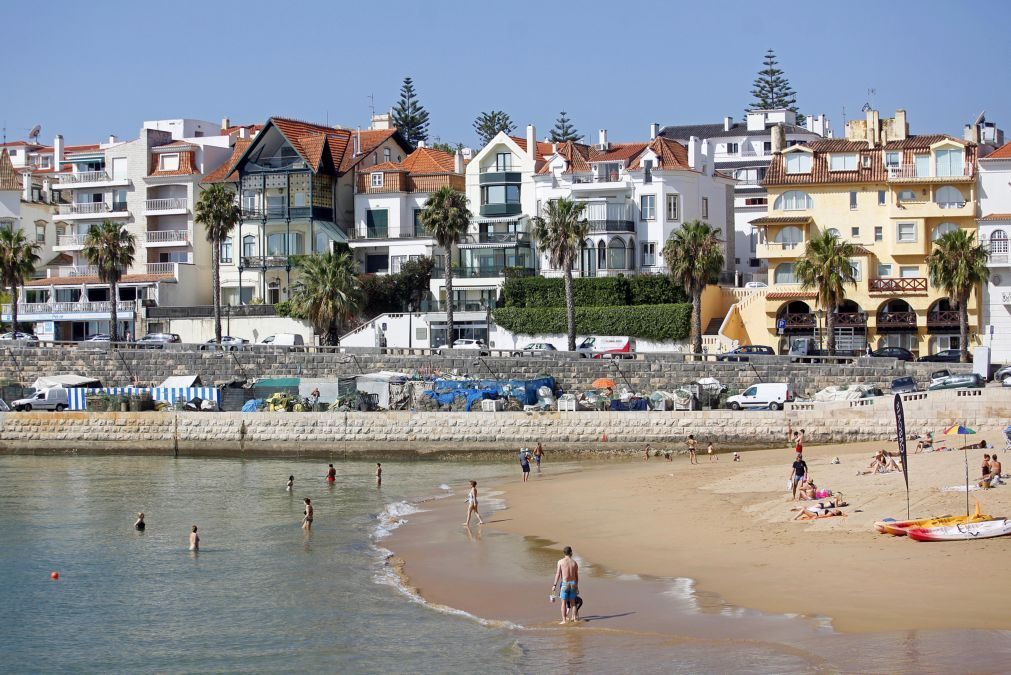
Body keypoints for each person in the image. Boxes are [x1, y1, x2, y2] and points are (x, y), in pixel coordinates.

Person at [551, 546, 580, 624]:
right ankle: (575, 619)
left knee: (563, 603)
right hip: (573, 584)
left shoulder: (560, 562)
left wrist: (554, 585)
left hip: (564, 584)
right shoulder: (574, 563)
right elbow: (577, 576)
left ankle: (564, 620)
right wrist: (577, 586)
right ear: (571, 552)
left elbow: (557, 574)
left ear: (564, 553)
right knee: (573, 603)